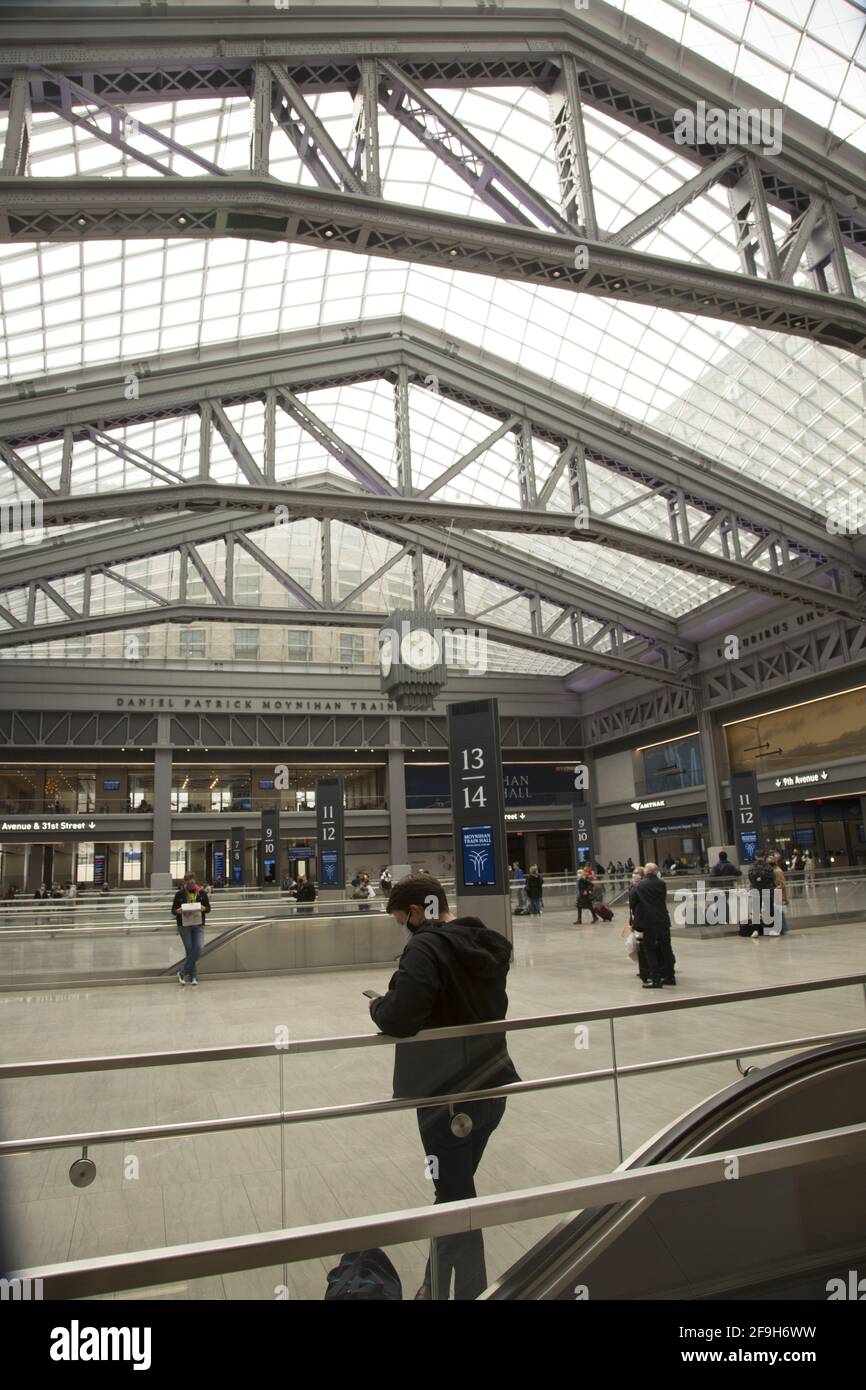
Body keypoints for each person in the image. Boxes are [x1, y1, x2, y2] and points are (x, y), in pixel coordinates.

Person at [370, 874, 519, 1301]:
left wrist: (378, 1005)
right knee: (453, 1191)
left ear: (418, 912)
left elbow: (401, 1018)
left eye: (403, 919)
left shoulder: (425, 946)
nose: (405, 927)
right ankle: (433, 1285)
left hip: (447, 1098)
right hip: (493, 1087)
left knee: (456, 1198)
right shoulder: (484, 940)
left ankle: (468, 1292)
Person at [629, 862, 676, 988]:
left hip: (649, 922)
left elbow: (633, 902)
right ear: (656, 871)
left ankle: (655, 979)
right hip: (663, 919)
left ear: (646, 872)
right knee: (666, 948)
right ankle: (670, 976)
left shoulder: (640, 885)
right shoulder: (662, 884)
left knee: (650, 949)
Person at [172, 873, 211, 985]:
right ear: (185, 883)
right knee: (189, 950)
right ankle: (193, 977)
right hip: (184, 926)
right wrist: (177, 911)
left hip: (198, 924)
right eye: (189, 883)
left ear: (195, 881)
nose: (191, 885)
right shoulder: (179, 894)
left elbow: (208, 908)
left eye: (193, 883)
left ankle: (182, 972)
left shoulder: (202, 893)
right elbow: (173, 910)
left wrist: (204, 908)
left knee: (198, 947)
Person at [745, 853, 775, 938]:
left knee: (756, 911)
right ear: (764, 857)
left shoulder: (751, 867)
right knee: (769, 910)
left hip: (756, 891)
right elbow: (773, 878)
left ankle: (756, 930)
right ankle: (770, 930)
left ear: (756, 857)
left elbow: (750, 879)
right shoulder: (768, 867)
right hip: (767, 890)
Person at [768, 853, 790, 936]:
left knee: (778, 911)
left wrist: (775, 889)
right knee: (779, 912)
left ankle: (781, 929)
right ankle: (782, 928)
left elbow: (782, 884)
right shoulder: (773, 870)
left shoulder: (777, 871)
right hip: (776, 893)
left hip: (777, 893)